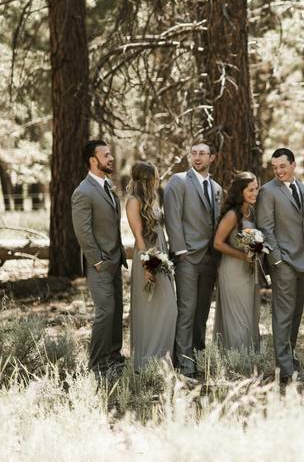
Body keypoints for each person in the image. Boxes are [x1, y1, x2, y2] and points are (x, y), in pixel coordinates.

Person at [257, 148, 304, 382]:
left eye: (282, 166)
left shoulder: (302, 189)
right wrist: (277, 261)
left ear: (293, 165)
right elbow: (266, 228)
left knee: (296, 314)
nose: (278, 171)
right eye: (274, 167)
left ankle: (290, 358)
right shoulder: (267, 191)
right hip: (283, 263)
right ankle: (284, 368)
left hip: (303, 263)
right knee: (283, 316)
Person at [164, 142, 222, 376]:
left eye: (203, 154)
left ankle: (198, 357)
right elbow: (172, 217)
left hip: (210, 258)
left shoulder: (217, 187)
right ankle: (184, 363)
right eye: (194, 153)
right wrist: (180, 251)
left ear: (212, 157)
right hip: (187, 256)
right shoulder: (178, 181)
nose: (197, 158)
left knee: (202, 313)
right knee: (186, 311)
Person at [71, 140, 126, 374]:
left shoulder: (108, 186)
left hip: (115, 259)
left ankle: (114, 357)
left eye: (110, 154)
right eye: (105, 155)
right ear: (93, 160)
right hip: (100, 264)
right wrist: (98, 261)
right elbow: (83, 231)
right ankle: (96, 365)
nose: (110, 158)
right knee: (105, 312)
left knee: (116, 311)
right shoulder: (83, 192)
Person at [126, 161, 177, 371]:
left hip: (161, 254)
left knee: (168, 308)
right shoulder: (133, 201)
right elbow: (138, 236)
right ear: (147, 178)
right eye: (155, 175)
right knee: (152, 307)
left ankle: (162, 360)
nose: (158, 179)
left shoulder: (153, 199)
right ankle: (147, 361)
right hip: (148, 258)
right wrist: (147, 264)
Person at [212, 172, 262, 352]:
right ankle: (237, 361)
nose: (255, 193)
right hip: (233, 271)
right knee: (237, 316)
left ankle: (249, 358)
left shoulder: (253, 212)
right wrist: (243, 256)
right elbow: (217, 243)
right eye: (250, 190)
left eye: (256, 189)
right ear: (240, 191)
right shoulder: (232, 215)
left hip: (250, 271)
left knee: (250, 316)